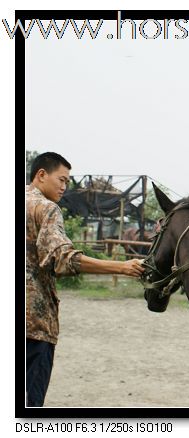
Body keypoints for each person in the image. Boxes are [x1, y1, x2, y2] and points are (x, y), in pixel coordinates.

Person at [25, 152, 145, 407]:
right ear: (41, 175)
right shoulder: (45, 208)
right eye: (61, 179)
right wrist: (121, 267)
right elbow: (64, 258)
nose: (64, 187)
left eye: (67, 182)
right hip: (34, 327)